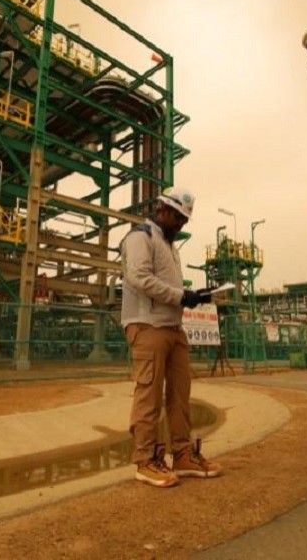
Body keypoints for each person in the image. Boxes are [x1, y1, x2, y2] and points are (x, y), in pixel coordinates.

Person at [120, 186, 222, 488]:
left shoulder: (170, 246)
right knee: (149, 394)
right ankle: (146, 459)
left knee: (180, 394)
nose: (180, 224)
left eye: (184, 220)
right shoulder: (141, 237)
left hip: (173, 328)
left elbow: (168, 286)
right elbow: (139, 278)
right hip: (147, 324)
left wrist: (195, 296)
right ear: (161, 209)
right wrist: (180, 296)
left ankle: (182, 454)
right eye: (177, 217)